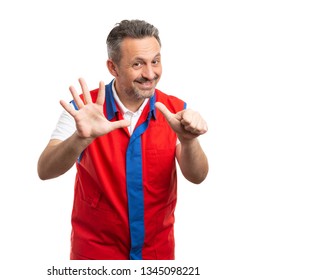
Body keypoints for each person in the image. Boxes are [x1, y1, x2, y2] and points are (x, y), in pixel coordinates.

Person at [37, 19, 209, 260]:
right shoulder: (83, 110)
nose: (150, 74)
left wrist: (190, 141)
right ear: (113, 67)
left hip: (156, 256)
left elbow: (198, 176)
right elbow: (45, 170)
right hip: (95, 257)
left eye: (155, 61)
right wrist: (79, 138)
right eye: (137, 64)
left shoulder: (175, 110)